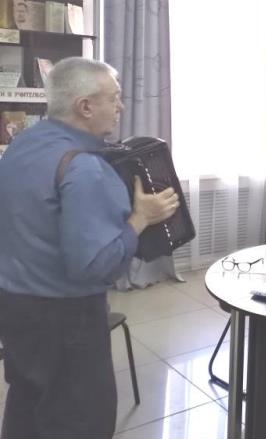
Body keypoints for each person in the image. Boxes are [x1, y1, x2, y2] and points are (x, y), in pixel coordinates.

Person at [0, 57, 178, 438]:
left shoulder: (20, 144)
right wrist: (140, 218)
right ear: (85, 106)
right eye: (114, 98)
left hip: (14, 308)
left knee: (26, 406)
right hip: (66, 320)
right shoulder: (84, 168)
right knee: (80, 420)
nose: (120, 106)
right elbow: (95, 266)